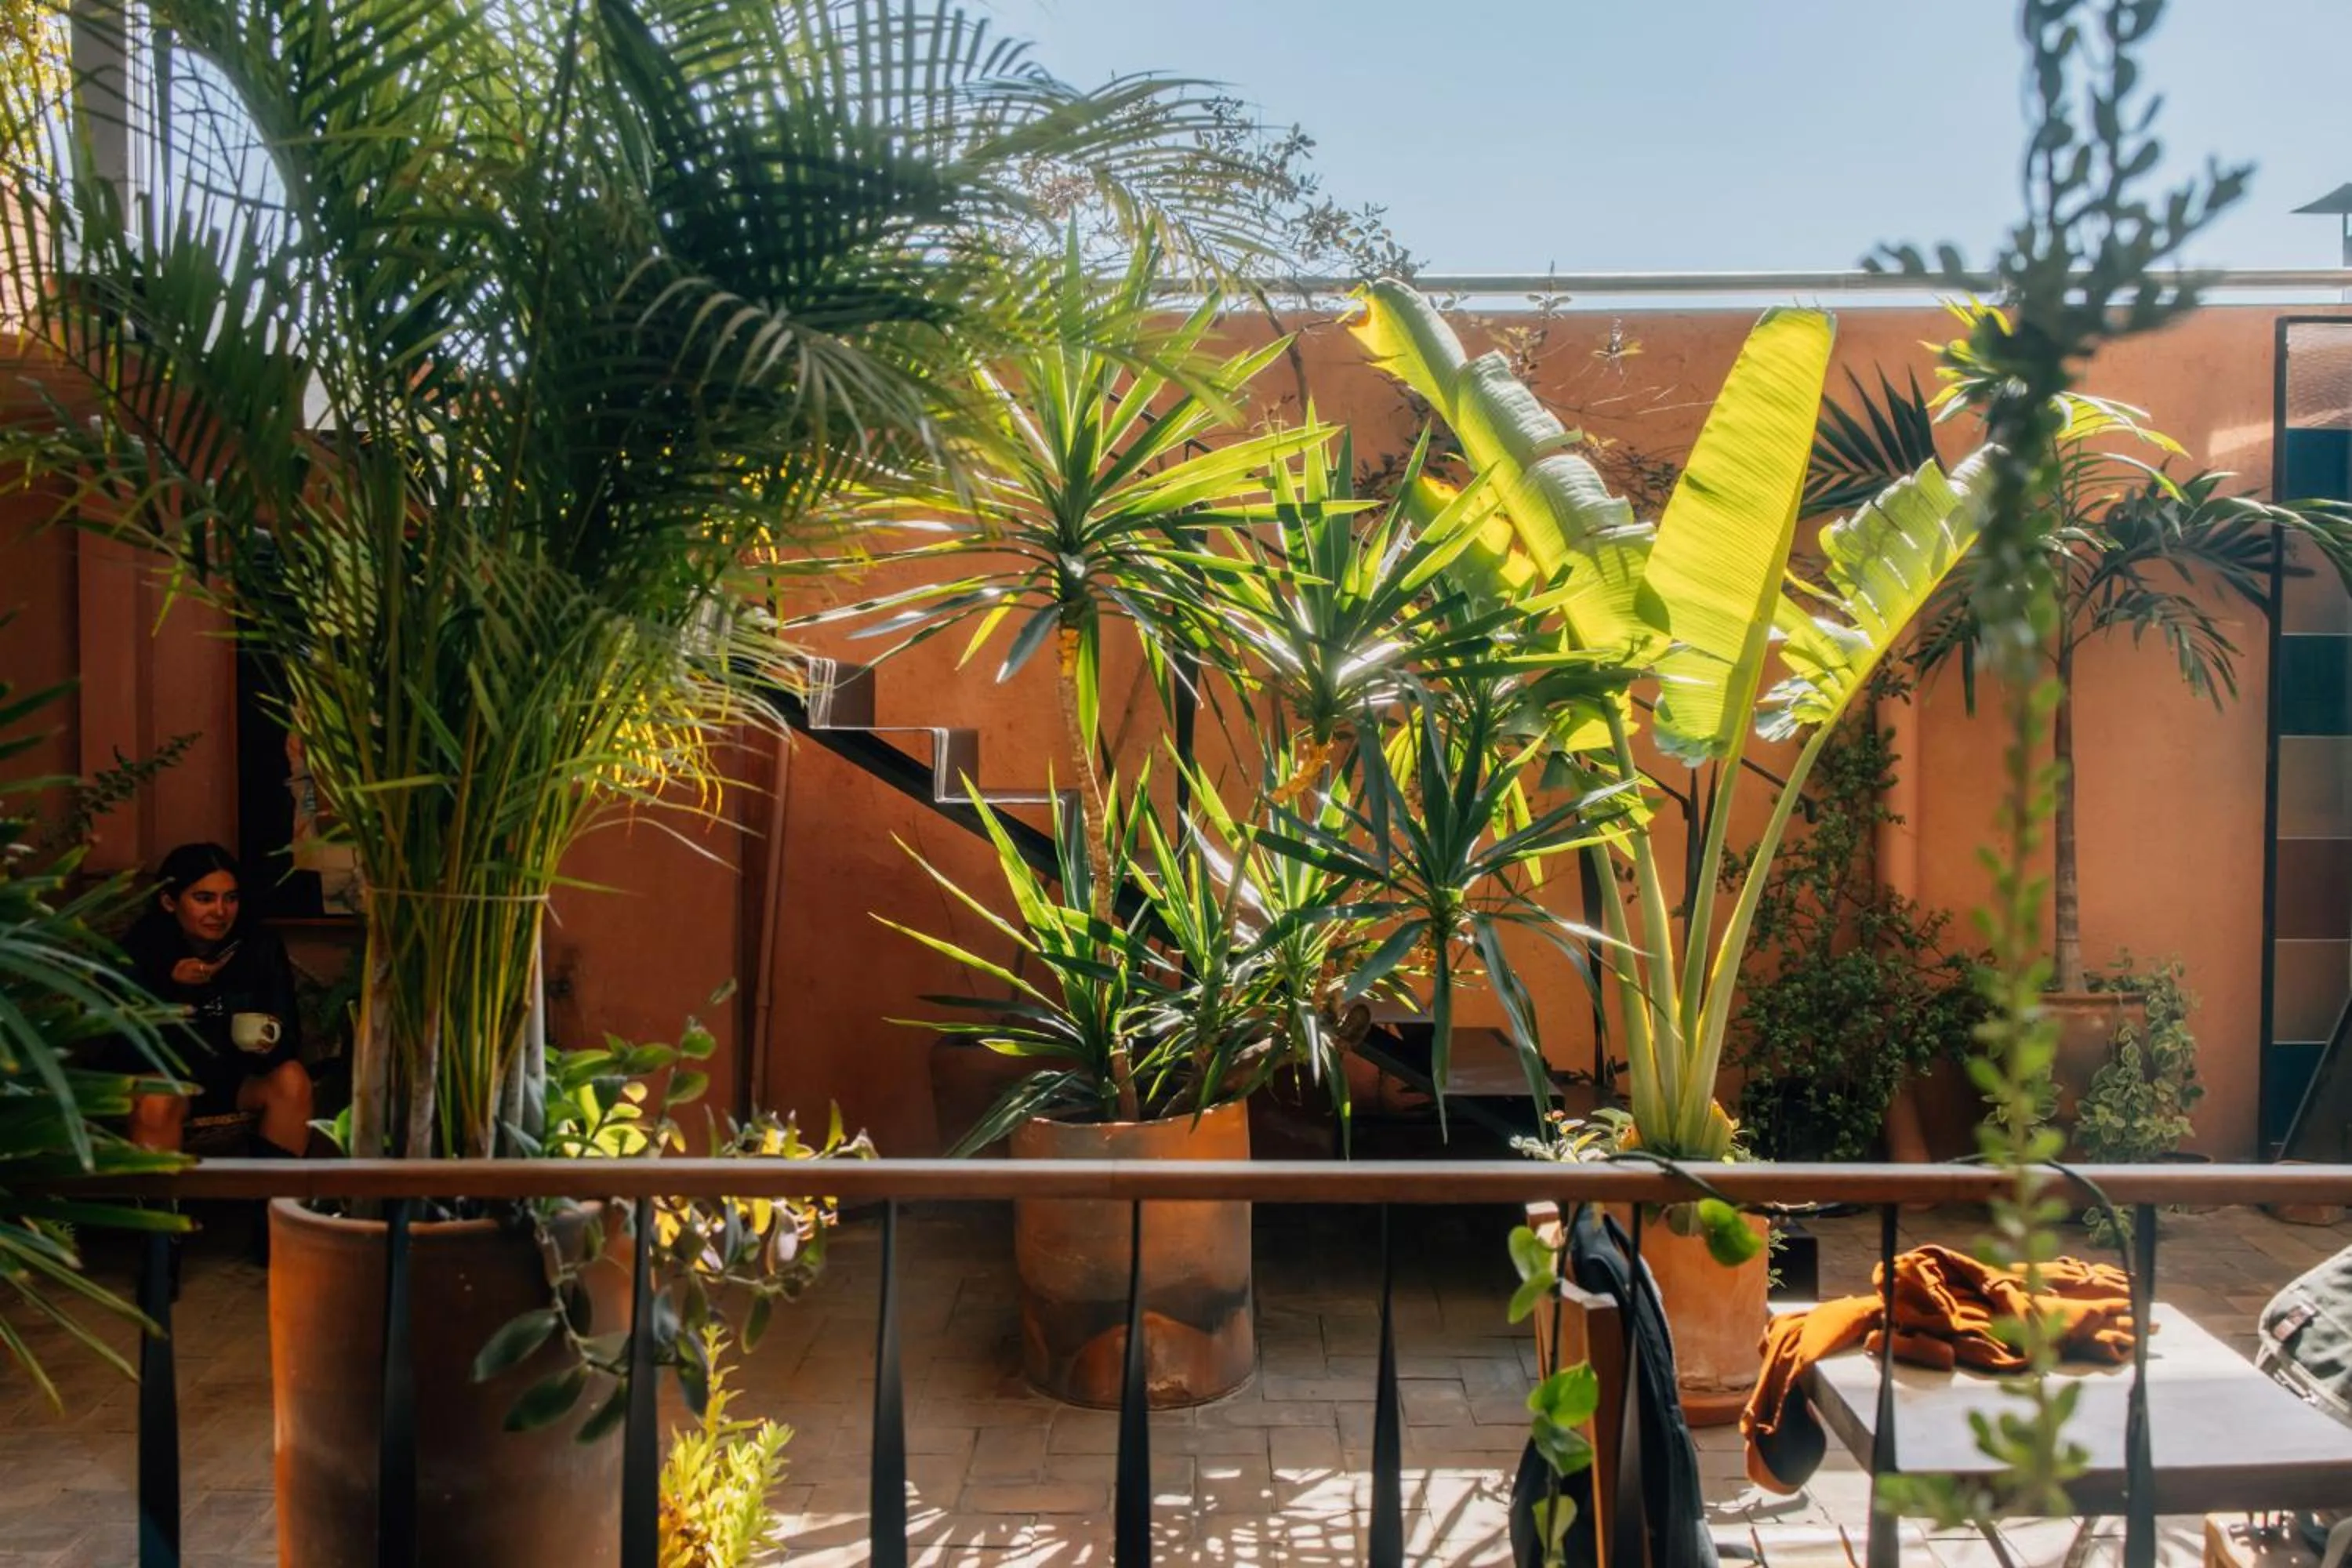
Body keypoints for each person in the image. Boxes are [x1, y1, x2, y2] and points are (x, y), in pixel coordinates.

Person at [120, 843, 314, 1156]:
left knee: (292, 1080)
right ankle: (158, 1203)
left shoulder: (257, 946)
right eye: (204, 898)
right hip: (170, 1080)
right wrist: (171, 987)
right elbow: (122, 1046)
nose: (220, 912)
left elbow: (288, 1033)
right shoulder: (141, 949)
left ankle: (271, 1201)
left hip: (235, 1077)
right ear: (170, 901)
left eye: (231, 898)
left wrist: (269, 1043)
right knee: (157, 1098)